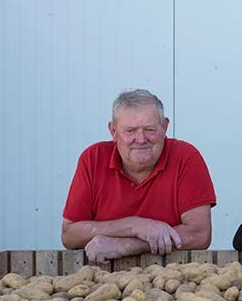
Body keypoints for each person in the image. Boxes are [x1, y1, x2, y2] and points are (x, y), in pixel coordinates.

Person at [61, 89, 216, 263]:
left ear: (164, 127)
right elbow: (70, 234)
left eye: (150, 129)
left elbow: (199, 234)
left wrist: (125, 245)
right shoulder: (93, 158)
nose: (141, 139)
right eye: (130, 131)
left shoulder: (186, 157)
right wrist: (135, 225)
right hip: (102, 278)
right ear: (113, 131)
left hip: (173, 278)